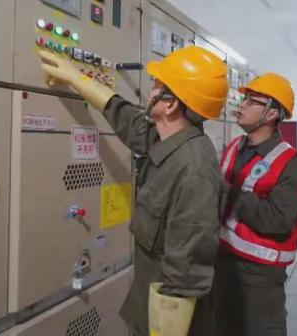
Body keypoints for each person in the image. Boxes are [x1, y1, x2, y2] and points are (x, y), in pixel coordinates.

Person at [39, 46, 228, 336]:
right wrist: (75, 77)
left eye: (157, 84)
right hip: (148, 305)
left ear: (170, 104)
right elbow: (128, 119)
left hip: (167, 320)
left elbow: (185, 277)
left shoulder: (194, 172)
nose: (150, 89)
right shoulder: (171, 141)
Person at [215, 72, 297, 336]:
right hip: (222, 260)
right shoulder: (234, 146)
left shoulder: (288, 162)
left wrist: (231, 193)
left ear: (271, 113)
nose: (242, 105)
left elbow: (278, 220)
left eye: (251, 101)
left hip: (259, 274)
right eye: (243, 99)